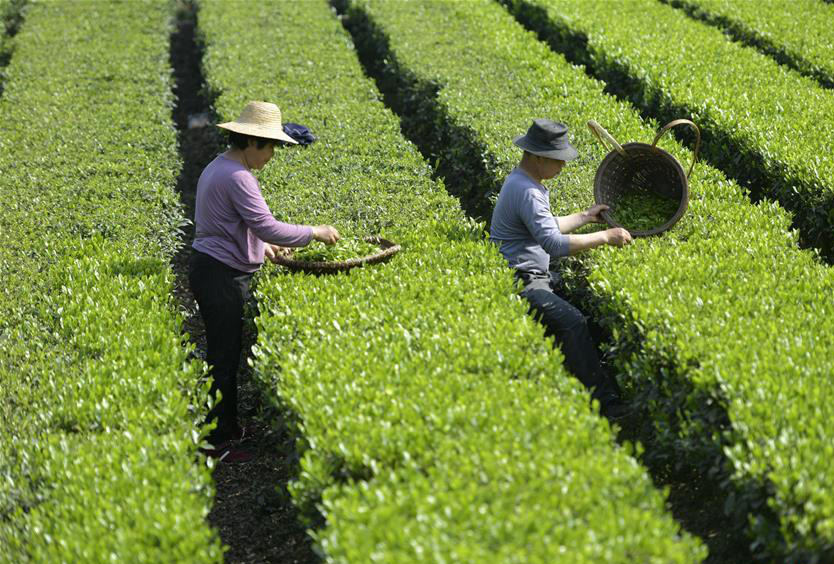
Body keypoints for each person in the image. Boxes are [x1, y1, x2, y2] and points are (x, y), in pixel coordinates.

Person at [189, 101, 340, 462]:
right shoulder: (238, 177)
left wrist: (263, 247)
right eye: (270, 146)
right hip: (221, 275)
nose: (272, 155)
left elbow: (229, 226)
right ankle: (217, 442)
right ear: (252, 142)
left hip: (211, 268)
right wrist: (314, 232)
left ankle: (227, 429)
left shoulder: (221, 166)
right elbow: (266, 225)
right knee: (223, 359)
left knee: (225, 355)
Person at [490, 119, 633, 419]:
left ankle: (598, 387)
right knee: (573, 322)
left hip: (533, 275)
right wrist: (606, 237)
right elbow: (554, 244)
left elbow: (545, 225)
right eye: (558, 159)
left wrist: (585, 216)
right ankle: (605, 405)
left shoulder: (522, 182)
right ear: (537, 157)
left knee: (588, 320)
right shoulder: (527, 191)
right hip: (523, 279)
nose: (563, 166)